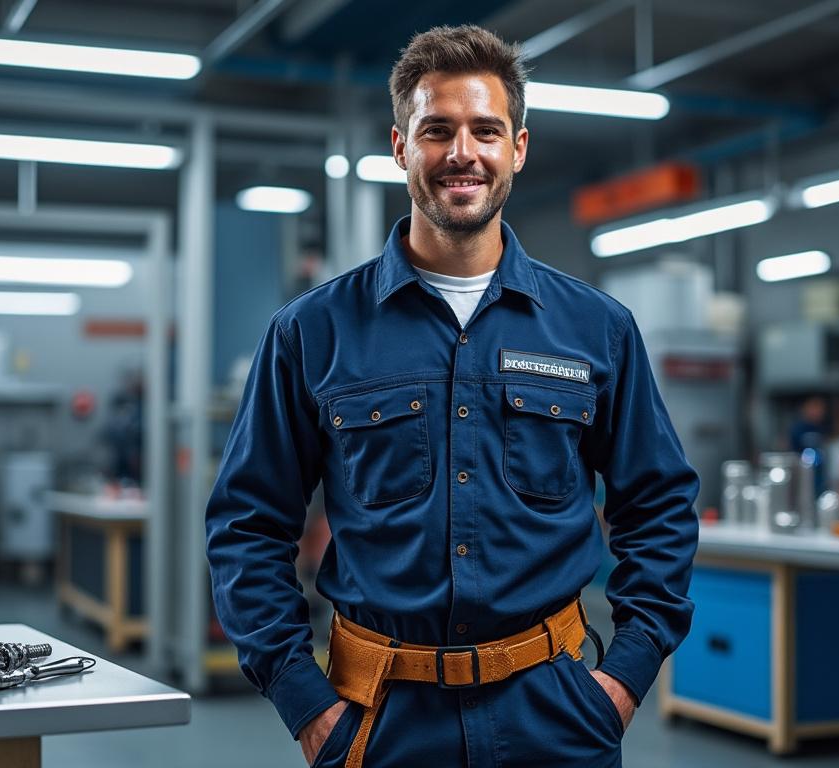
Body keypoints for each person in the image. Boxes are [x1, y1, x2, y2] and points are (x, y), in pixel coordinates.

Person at [206, 25, 699, 768]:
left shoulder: (597, 330)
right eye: (437, 130)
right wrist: (307, 706)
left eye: (485, 130)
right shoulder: (312, 332)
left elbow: (658, 507)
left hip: (557, 713)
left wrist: (619, 684)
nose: (462, 152)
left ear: (518, 149)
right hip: (379, 721)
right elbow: (246, 525)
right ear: (401, 147)